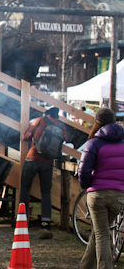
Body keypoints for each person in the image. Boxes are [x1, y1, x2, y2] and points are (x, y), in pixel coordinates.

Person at [78, 107, 124, 269]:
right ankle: (85, 266)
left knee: (102, 235)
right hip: (118, 195)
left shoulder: (94, 143)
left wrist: (86, 185)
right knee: (99, 232)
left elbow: (83, 170)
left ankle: (105, 267)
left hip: (98, 194)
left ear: (97, 123)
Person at [20, 106, 66, 239]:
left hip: (33, 158)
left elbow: (26, 136)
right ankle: (46, 222)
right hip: (48, 162)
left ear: (46, 114)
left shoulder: (40, 121)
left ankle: (22, 220)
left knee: (25, 189)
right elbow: (64, 140)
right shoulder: (61, 127)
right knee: (46, 192)